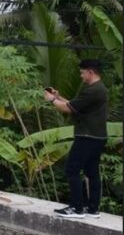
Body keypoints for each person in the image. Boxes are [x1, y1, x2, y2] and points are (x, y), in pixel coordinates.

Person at [44, 59, 109, 219]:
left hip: (87, 136)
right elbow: (74, 106)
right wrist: (59, 97)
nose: (81, 76)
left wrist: (52, 100)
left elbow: (67, 109)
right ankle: (92, 209)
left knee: (72, 169)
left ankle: (76, 208)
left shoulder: (93, 90)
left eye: (82, 72)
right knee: (92, 172)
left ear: (90, 72)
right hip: (98, 137)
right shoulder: (98, 89)